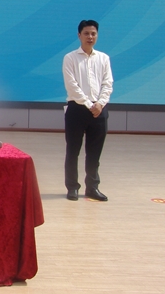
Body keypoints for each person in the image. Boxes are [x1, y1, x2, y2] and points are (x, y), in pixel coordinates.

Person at [63, 20, 113, 202]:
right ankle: (72, 187)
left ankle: (92, 187)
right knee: (73, 151)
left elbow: (108, 83)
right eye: (86, 33)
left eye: (93, 33)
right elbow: (72, 85)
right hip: (77, 109)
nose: (90, 37)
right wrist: (88, 104)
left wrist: (100, 103)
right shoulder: (70, 58)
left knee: (94, 153)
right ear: (79, 35)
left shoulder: (103, 58)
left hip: (99, 110)